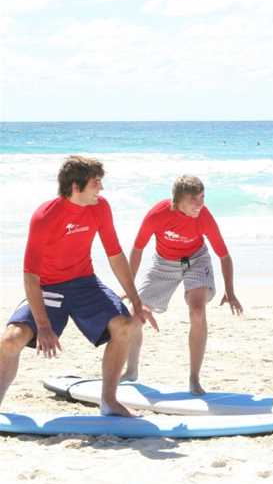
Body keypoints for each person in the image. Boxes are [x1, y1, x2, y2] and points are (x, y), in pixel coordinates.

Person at [0, 156, 156, 416]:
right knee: (10, 341)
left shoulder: (100, 207)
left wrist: (136, 302)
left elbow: (115, 255)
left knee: (126, 326)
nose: (101, 189)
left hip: (84, 283)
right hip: (48, 286)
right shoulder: (45, 217)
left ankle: (109, 402)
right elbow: (30, 277)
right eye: (96, 183)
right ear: (75, 187)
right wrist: (43, 326)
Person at [122, 176, 242, 394]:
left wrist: (230, 291)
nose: (200, 204)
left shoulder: (204, 216)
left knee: (197, 311)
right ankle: (131, 371)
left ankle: (194, 379)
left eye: (202, 197)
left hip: (195, 260)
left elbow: (224, 255)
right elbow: (138, 249)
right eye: (193, 199)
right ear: (177, 201)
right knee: (135, 314)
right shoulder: (157, 215)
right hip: (164, 263)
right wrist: (129, 286)